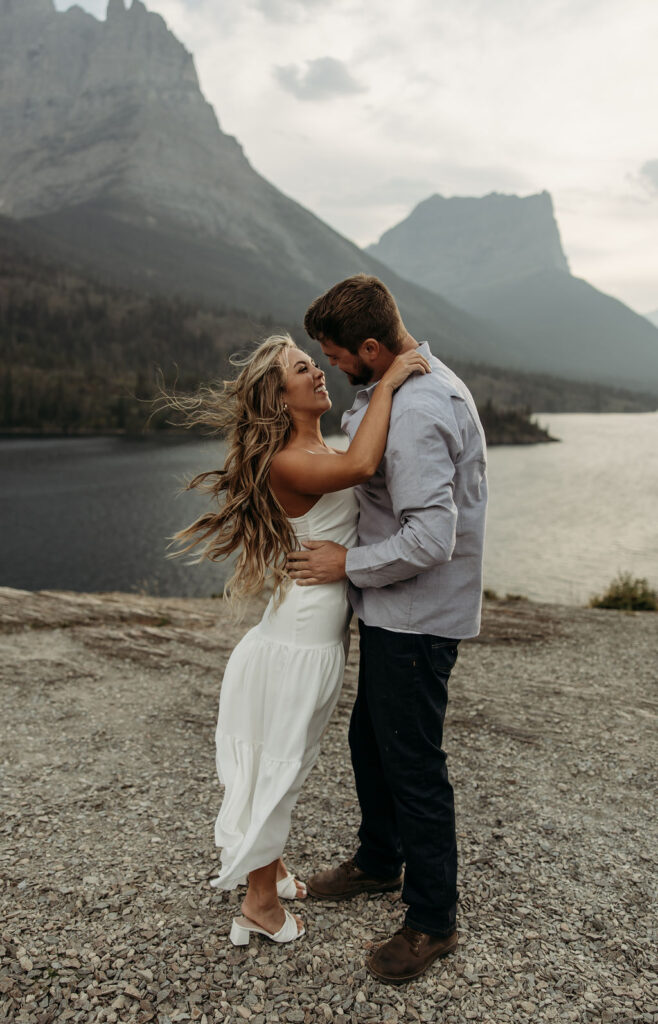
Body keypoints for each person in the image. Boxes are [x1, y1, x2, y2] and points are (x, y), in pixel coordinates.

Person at [169, 332, 429, 946]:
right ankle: (258, 903)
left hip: (306, 631)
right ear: (279, 397)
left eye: (316, 365)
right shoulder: (291, 457)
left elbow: (361, 467)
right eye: (302, 369)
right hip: (299, 642)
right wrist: (388, 382)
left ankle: (274, 869)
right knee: (282, 767)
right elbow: (363, 466)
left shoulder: (316, 443)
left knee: (285, 758)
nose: (317, 374)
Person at [286, 274, 488, 983]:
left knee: (413, 763)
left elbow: (431, 539)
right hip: (394, 611)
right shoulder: (399, 389)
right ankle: (378, 861)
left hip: (417, 616)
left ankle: (433, 919)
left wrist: (347, 562)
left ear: (373, 347)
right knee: (369, 738)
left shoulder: (418, 409)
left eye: (338, 355)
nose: (333, 366)